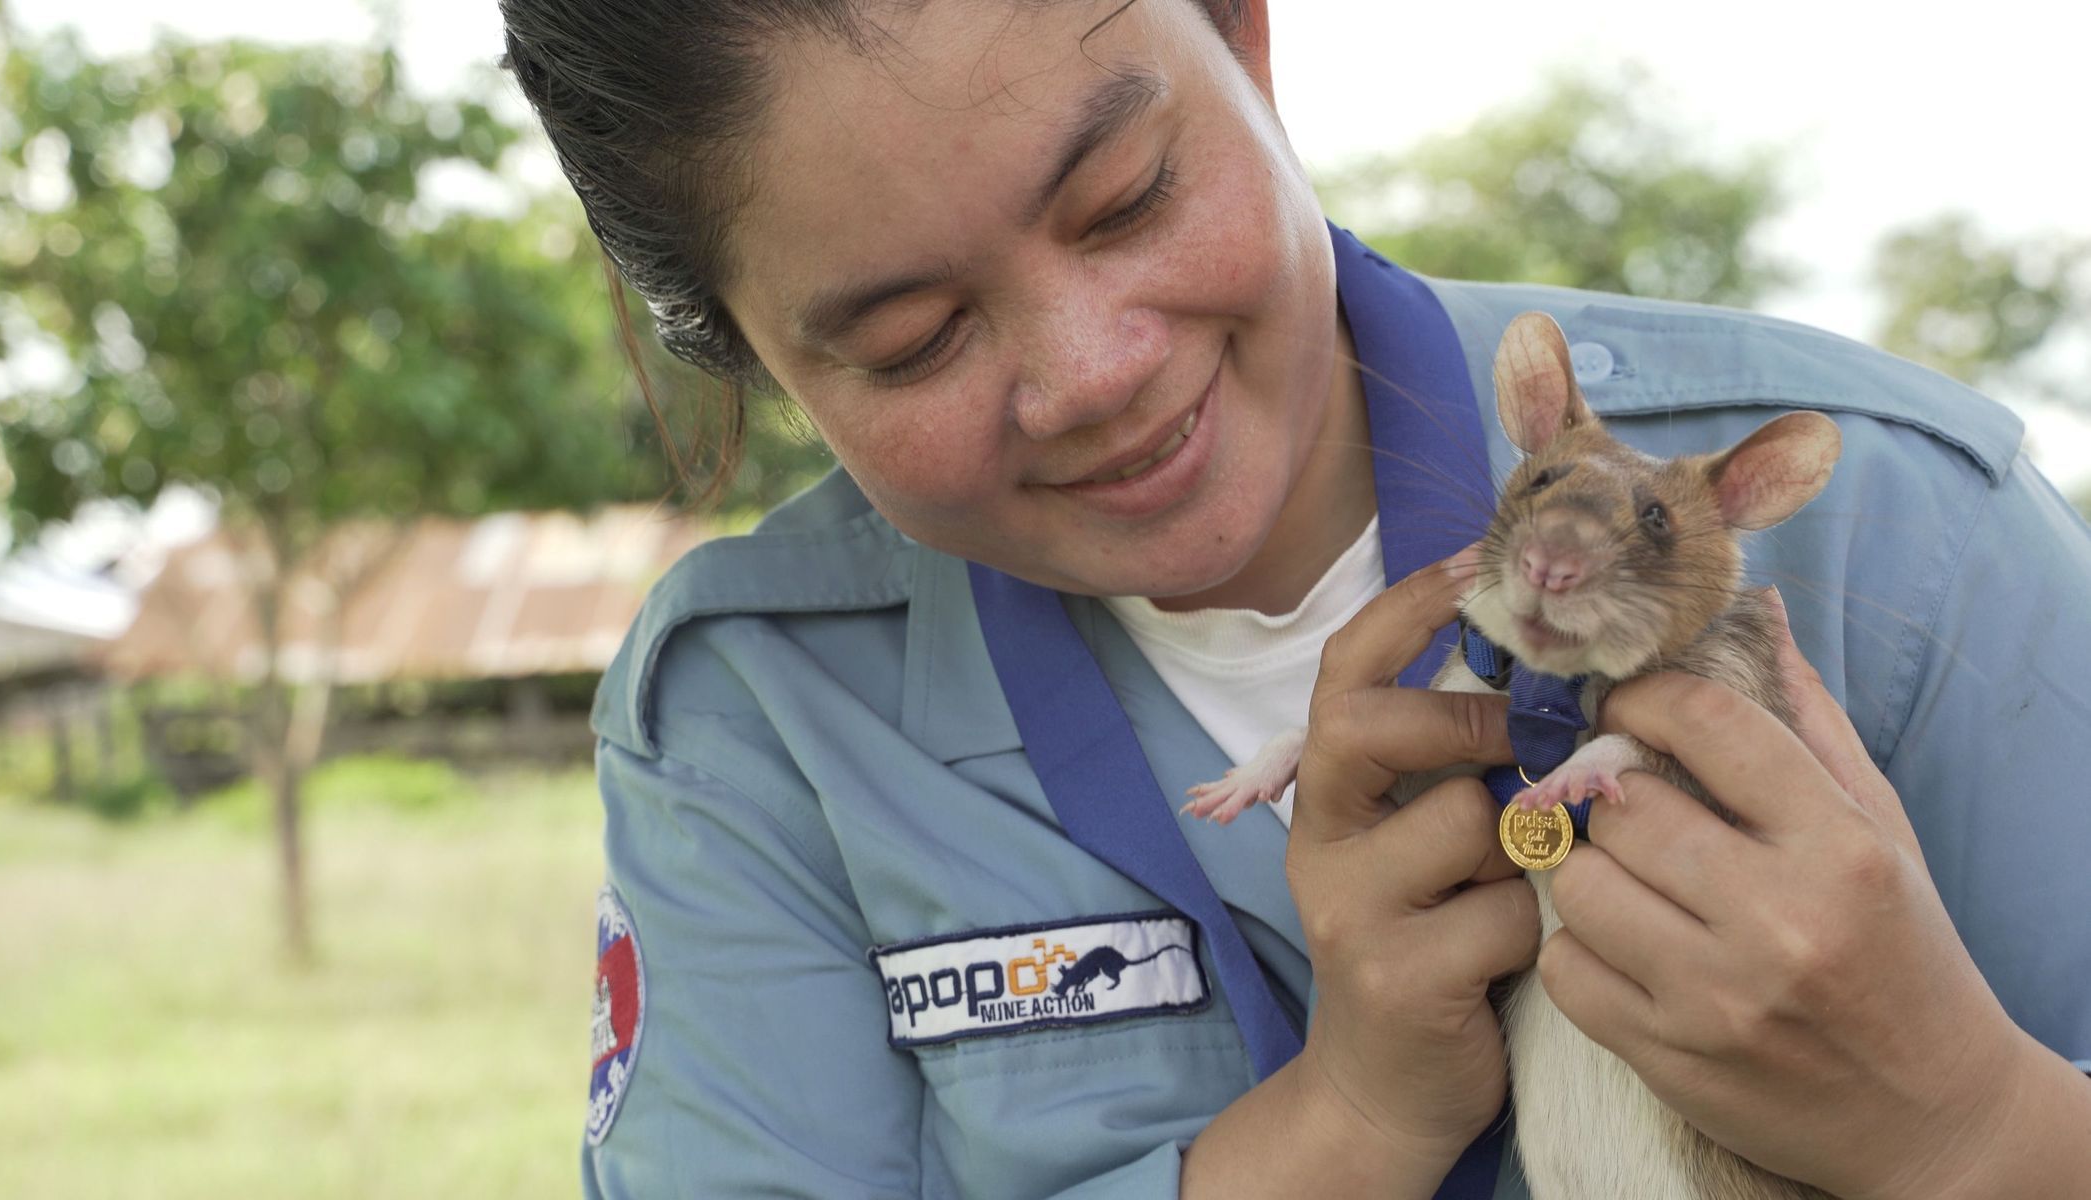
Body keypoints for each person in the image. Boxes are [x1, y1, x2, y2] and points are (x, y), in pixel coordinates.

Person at [499, 1, 2091, 1196]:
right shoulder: (755, 707)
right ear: (740, 352)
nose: (1093, 375)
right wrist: (1350, 1120)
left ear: (1245, 36)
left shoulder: (1894, 529)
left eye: (1124, 196)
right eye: (913, 339)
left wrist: (1971, 1126)